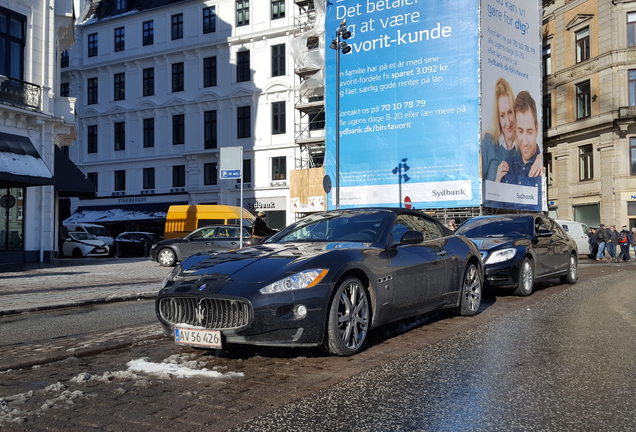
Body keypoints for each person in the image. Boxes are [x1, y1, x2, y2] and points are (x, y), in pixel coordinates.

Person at [481, 78, 543, 182]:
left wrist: (541, 158)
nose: (508, 122)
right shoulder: (488, 142)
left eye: (510, 112)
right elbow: (477, 187)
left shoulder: (522, 147)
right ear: (498, 118)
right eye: (502, 115)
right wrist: (496, 182)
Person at [501, 91, 541, 188]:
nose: (525, 142)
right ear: (515, 129)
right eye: (520, 131)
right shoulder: (507, 166)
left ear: (536, 129)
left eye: (529, 132)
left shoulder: (542, 163)